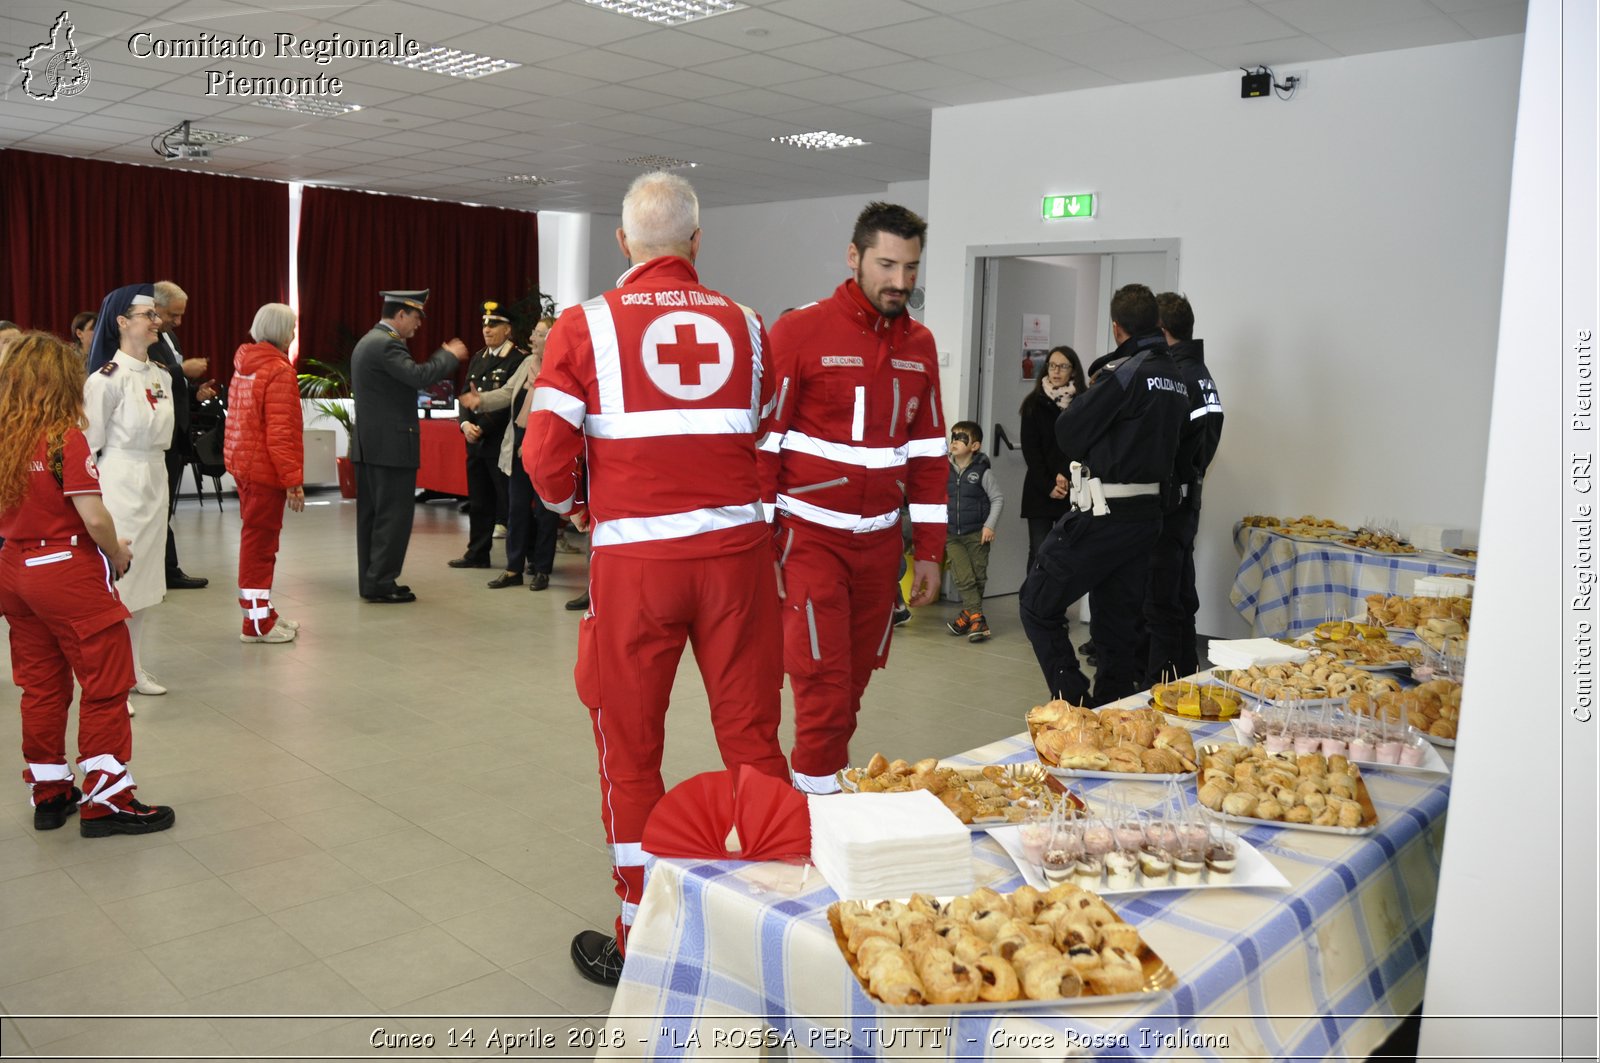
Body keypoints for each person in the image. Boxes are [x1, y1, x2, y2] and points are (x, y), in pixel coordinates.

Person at [525, 172, 787, 986]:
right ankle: (776, 923)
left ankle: (643, 935)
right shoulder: (748, 326)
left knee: (631, 749)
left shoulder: (584, 327)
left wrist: (576, 505)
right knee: (751, 738)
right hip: (738, 563)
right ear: (697, 241)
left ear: (624, 243)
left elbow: (543, 456)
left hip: (637, 567)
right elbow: (767, 444)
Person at [761, 202, 947, 795]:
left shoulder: (920, 344)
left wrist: (931, 552)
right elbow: (762, 445)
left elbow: (927, 455)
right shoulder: (800, 331)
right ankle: (814, 818)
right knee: (820, 679)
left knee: (852, 684)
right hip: (809, 540)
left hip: (881, 549)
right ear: (854, 257)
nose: (900, 282)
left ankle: (815, 791)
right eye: (887, 265)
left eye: (911, 268)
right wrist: (761, 543)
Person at [0, 332, 175, 836]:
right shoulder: (62, 438)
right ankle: (108, 800)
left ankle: (50, 791)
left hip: (14, 568)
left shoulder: (6, 437)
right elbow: (94, 517)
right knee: (107, 681)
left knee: (40, 684)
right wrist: (117, 551)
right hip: (65, 571)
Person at [1017, 283, 1188, 706]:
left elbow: (1070, 432)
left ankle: (1075, 703)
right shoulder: (1178, 378)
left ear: (1117, 328)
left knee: (1036, 602)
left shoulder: (1127, 372)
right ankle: (1113, 712)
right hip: (1148, 517)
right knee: (1116, 626)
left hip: (1105, 513)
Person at [83, 284, 175, 698]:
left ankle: (134, 668)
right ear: (121, 323)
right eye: (148, 316)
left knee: (145, 582)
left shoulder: (161, 375)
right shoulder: (106, 380)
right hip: (120, 477)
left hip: (155, 476)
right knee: (118, 584)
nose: (157, 323)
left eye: (157, 315)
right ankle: (110, 678)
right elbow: (87, 447)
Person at [349, 289, 469, 603]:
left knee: (372, 518)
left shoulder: (368, 341)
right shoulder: (387, 344)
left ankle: (372, 579)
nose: (418, 325)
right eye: (416, 317)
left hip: (370, 446)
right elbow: (419, 376)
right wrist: (448, 357)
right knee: (392, 517)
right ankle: (381, 582)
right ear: (401, 314)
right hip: (390, 448)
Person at [1144, 293, 1224, 684]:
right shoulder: (1201, 374)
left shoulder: (1178, 377)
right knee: (1179, 597)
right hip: (1188, 501)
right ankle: (1185, 676)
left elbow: (1170, 444)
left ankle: (1157, 684)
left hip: (1169, 506)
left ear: (1161, 331)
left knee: (1160, 601)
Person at [224, 303, 306, 644]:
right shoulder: (278, 371)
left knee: (257, 542)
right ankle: (256, 625)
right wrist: (293, 481)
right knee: (260, 547)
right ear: (279, 330)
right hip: (265, 472)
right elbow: (281, 432)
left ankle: (262, 611)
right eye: (291, 328)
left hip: (244, 464)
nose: (293, 334)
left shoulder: (246, 364)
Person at [460, 316, 558, 589]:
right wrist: (481, 400)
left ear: (552, 338)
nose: (532, 339)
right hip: (519, 445)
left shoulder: (563, 367)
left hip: (547, 447)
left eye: (538, 334)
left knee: (545, 512)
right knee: (516, 509)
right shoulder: (527, 363)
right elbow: (505, 393)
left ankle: (541, 568)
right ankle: (514, 568)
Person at [447, 300, 527, 572]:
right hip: (475, 443)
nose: (487, 329)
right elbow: (465, 396)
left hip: (499, 443)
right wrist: (465, 425)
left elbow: (509, 401)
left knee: (510, 502)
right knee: (479, 503)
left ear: (508, 330)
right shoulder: (480, 357)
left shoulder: (518, 359)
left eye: (494, 325)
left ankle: (523, 557)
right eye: (484, 324)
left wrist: (483, 427)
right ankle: (477, 553)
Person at [150, 281, 216, 590]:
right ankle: (162, 571)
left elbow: (170, 385)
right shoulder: (144, 338)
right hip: (155, 436)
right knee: (156, 507)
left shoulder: (170, 335)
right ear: (154, 306)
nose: (178, 322)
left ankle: (167, 570)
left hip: (177, 433)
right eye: (172, 314)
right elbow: (151, 376)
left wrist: (194, 390)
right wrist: (183, 371)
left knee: (164, 506)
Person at [1019, 346, 1085, 570]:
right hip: (1040, 489)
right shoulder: (1033, 404)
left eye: (1063, 366)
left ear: (1073, 371)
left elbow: (1082, 445)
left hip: (1073, 487)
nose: (1056, 371)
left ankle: (1056, 605)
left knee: (1066, 552)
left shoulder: (1083, 403)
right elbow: (1032, 451)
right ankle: (1033, 605)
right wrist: (1049, 483)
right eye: (1052, 365)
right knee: (1039, 551)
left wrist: (1065, 475)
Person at [944, 420, 1003, 642]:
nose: (955, 442)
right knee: (964, 577)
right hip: (952, 536)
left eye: (961, 438)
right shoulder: (944, 471)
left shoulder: (982, 473)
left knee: (978, 576)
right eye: (954, 437)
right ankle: (978, 618)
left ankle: (967, 615)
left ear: (975, 446)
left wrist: (989, 525)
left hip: (977, 534)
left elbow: (997, 499)